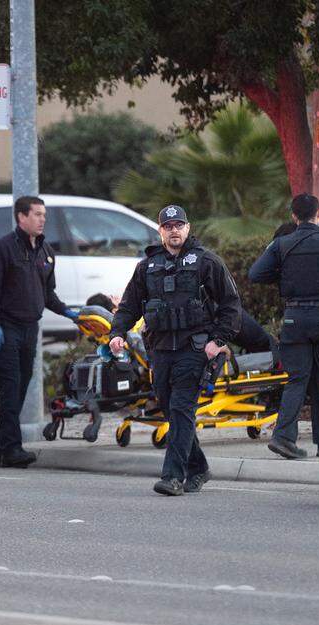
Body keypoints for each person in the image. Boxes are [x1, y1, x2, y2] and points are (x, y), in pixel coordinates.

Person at [108, 204, 242, 496]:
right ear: (161, 231)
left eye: (179, 225)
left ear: (188, 228)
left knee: (182, 408)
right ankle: (199, 468)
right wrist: (116, 332)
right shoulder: (148, 267)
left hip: (194, 349)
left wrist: (217, 342)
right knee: (172, 410)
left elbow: (231, 306)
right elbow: (130, 305)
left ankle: (173, 476)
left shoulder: (207, 262)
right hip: (160, 350)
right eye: (168, 226)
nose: (174, 230)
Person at [249, 194, 319, 459]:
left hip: (294, 319)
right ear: (318, 214)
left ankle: (283, 437)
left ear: (294, 216)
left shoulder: (281, 245)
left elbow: (255, 274)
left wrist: (283, 274)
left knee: (297, 379)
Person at [0, 196, 79, 468]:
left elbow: (48, 294)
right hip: (7, 330)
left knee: (20, 389)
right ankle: (11, 450)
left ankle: (5, 452)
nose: (42, 219)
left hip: (29, 330)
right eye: (37, 214)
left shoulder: (46, 251)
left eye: (43, 214)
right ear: (21, 217)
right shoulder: (1, 249)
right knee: (10, 390)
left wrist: (69, 313)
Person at [87, 292, 272, 354]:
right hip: (182, 337)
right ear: (114, 311)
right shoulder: (128, 325)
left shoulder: (112, 334)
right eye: (114, 297)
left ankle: (265, 346)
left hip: (181, 332)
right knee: (220, 309)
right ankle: (269, 347)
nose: (119, 296)